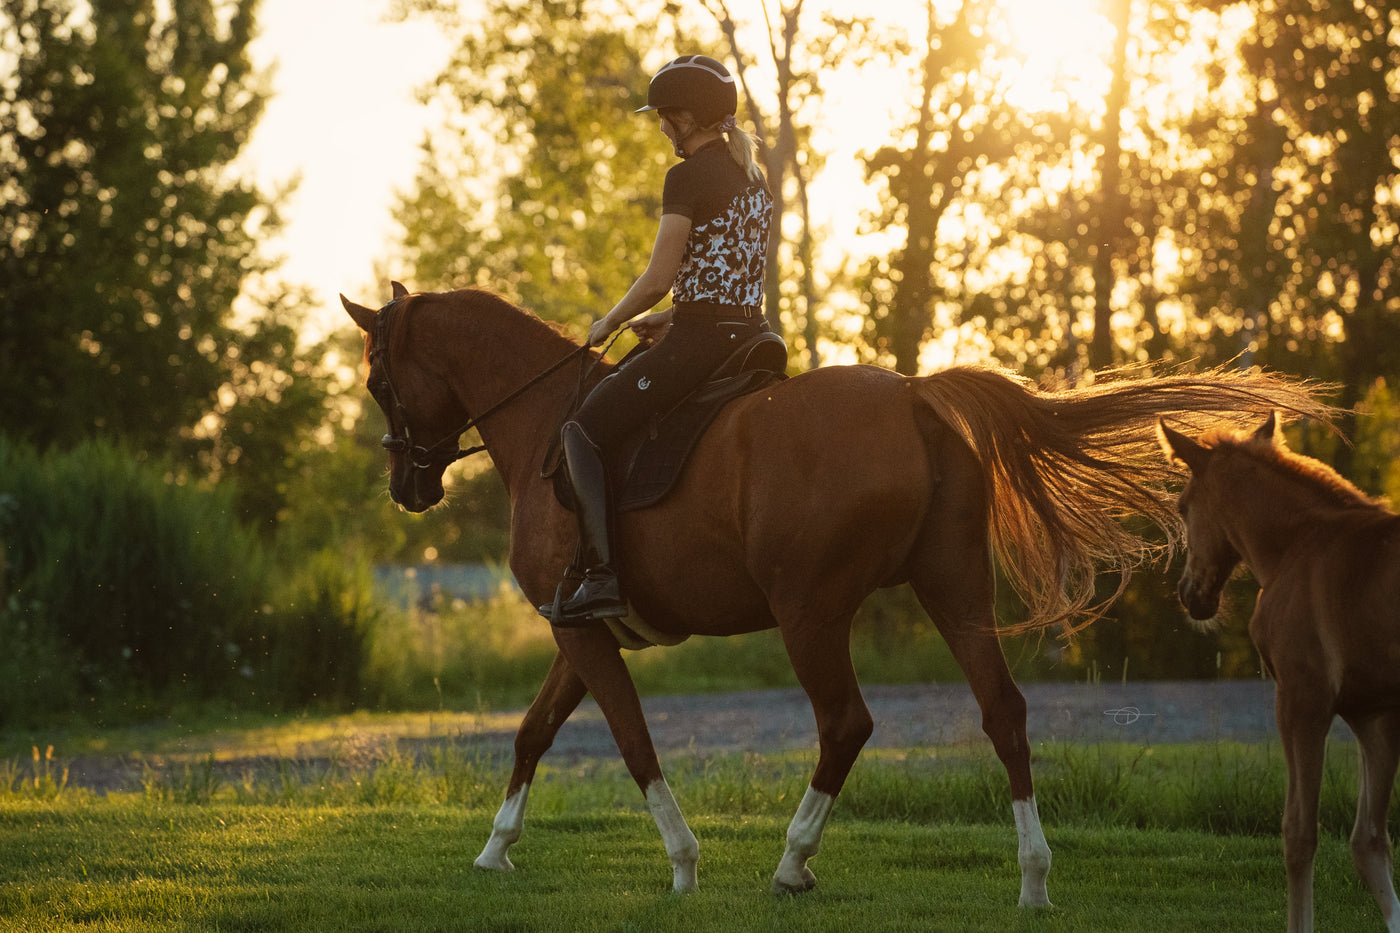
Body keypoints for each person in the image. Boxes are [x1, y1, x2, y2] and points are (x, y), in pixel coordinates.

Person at [543, 54, 775, 624]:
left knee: (582, 431)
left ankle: (601, 578)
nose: (662, 128)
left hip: (703, 346)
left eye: (665, 118)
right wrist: (674, 317)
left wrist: (610, 321)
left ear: (688, 119)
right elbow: (730, 271)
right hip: (751, 334)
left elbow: (656, 278)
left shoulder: (687, 176)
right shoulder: (752, 176)